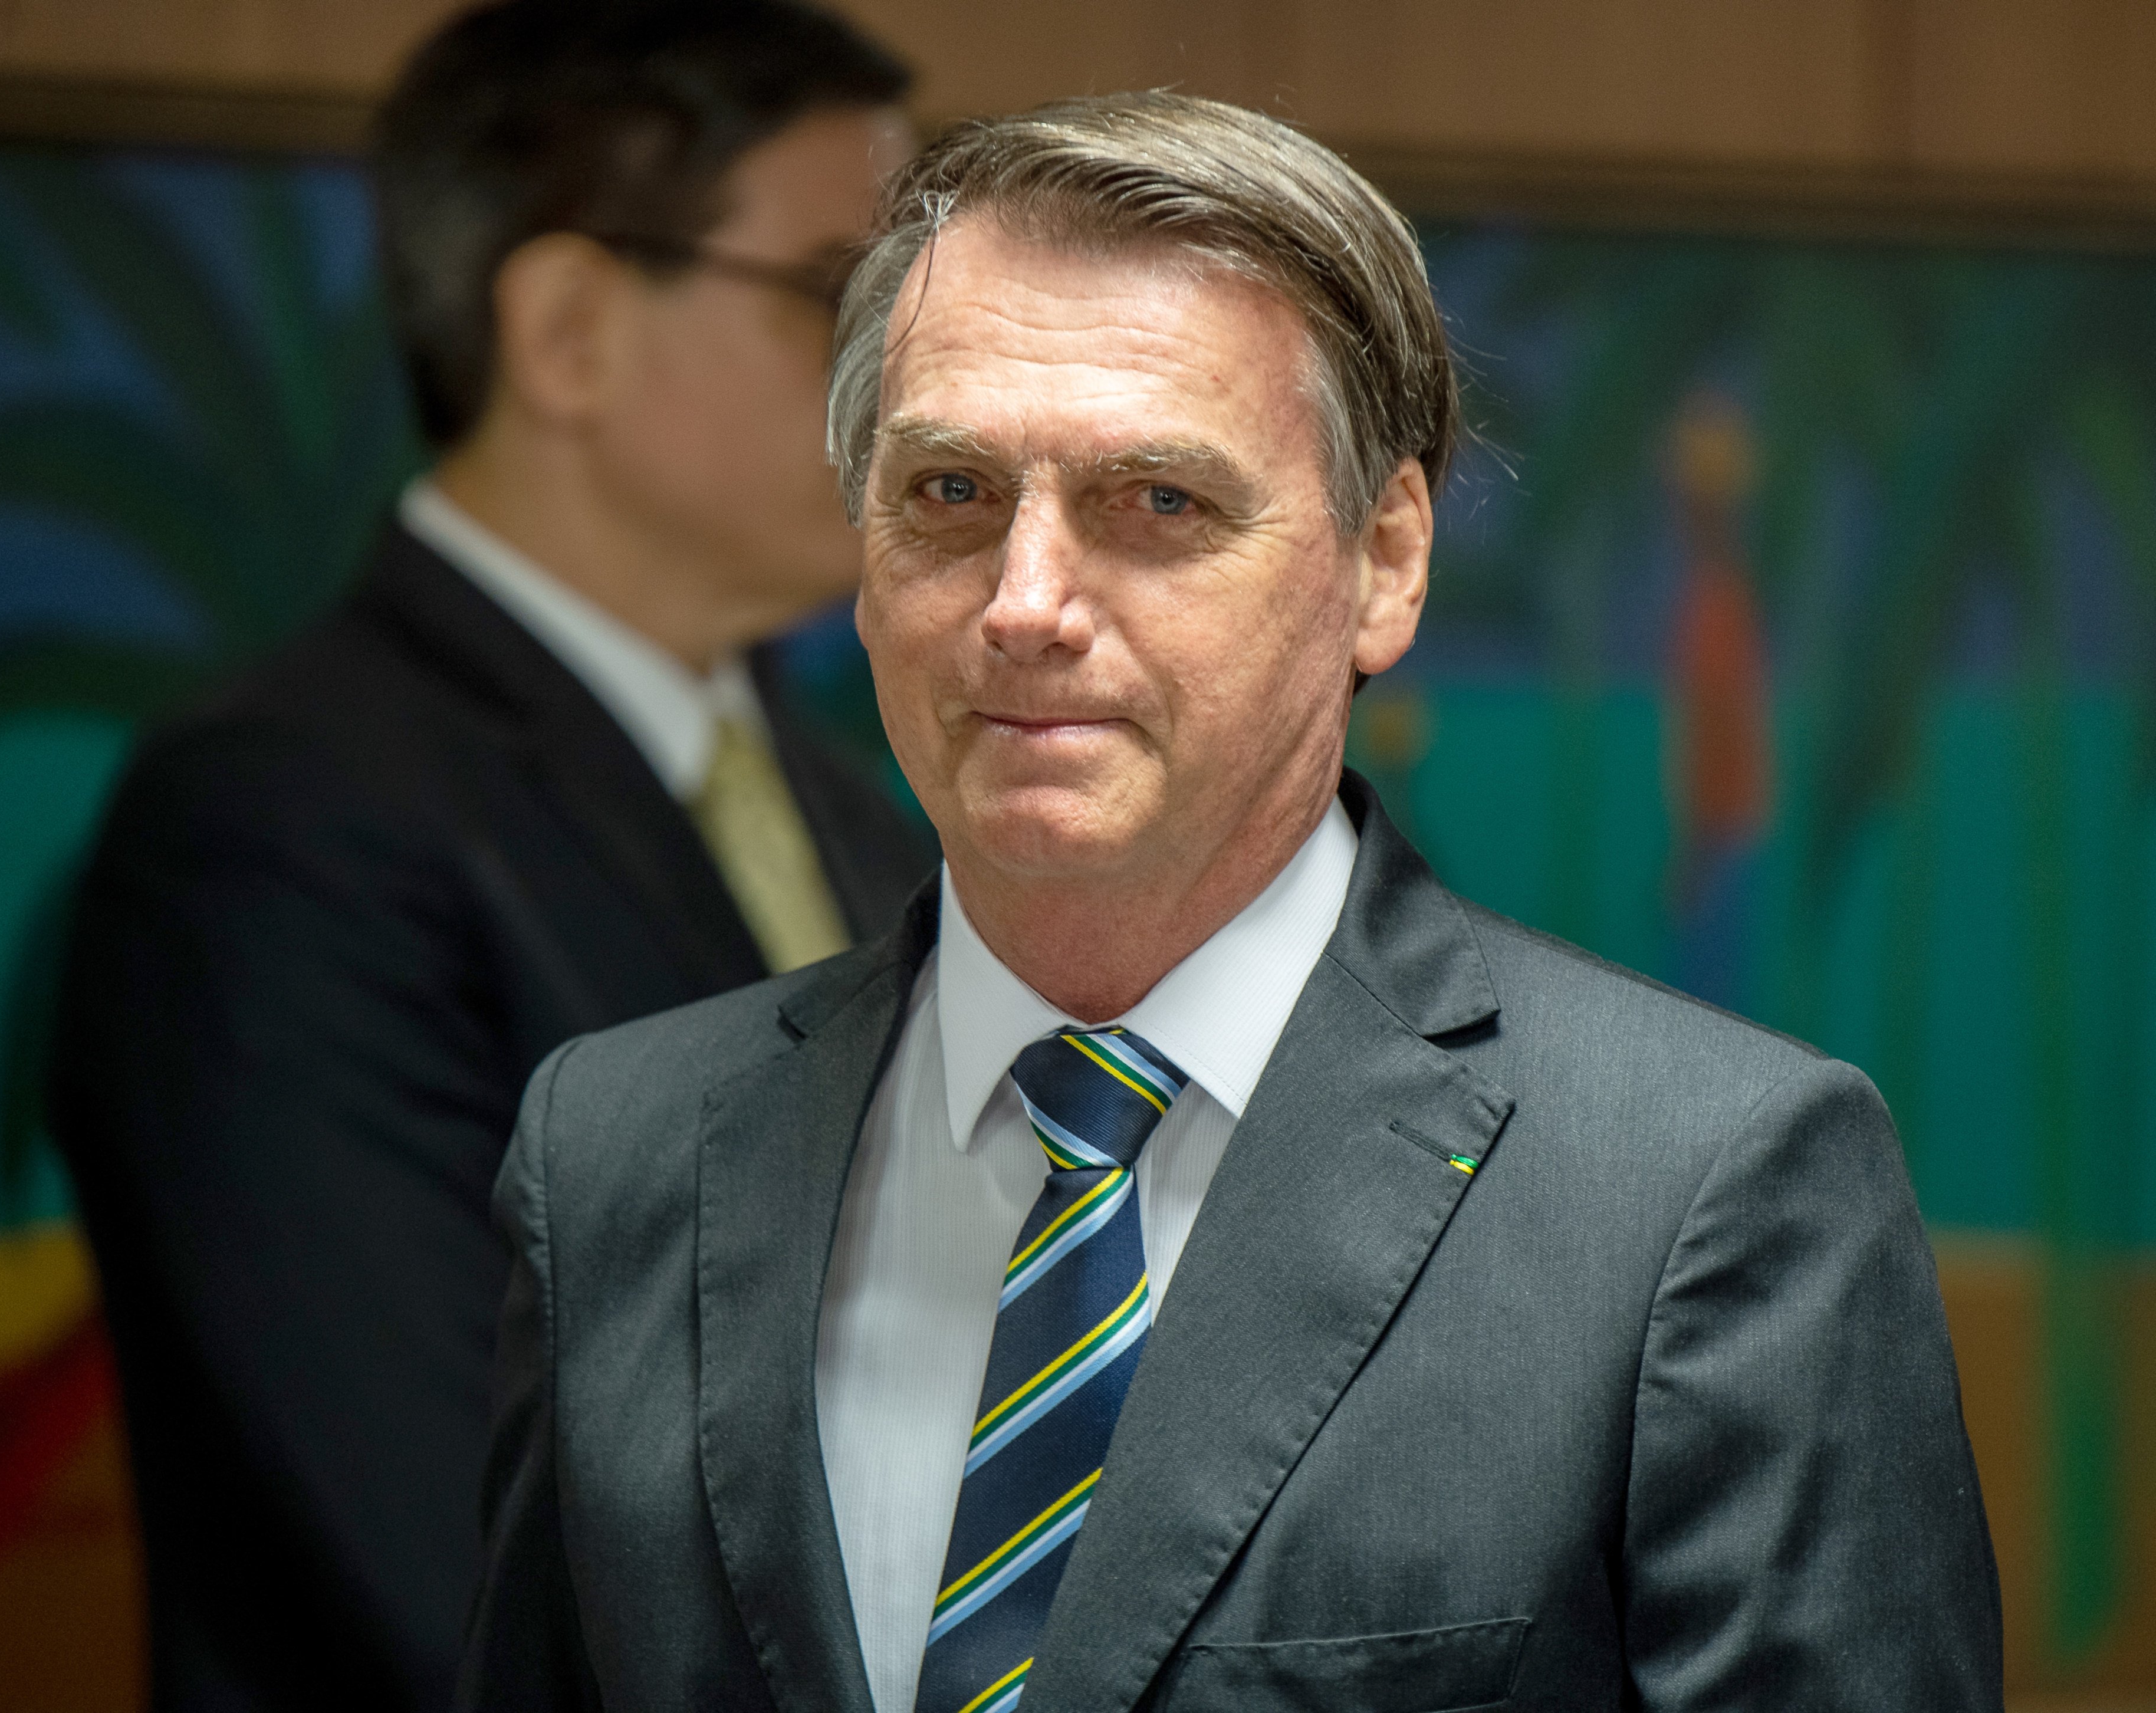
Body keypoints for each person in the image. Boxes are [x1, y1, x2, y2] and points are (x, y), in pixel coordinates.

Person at [459, 93, 2001, 1711]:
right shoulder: (622, 1155)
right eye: (951, 496)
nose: (1027, 603)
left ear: (1386, 562)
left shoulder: (1706, 1195)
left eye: (1160, 505)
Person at [48, 5, 929, 1709]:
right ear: (571, 330)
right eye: (846, 296)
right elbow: (466, 1548)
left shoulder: (853, 801)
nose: (923, 369)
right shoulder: (274, 833)